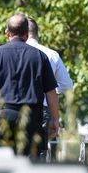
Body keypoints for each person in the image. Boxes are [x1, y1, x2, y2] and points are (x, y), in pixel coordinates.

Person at [0, 14, 60, 159]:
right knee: (29, 164)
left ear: (7, 32)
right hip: (31, 119)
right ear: (26, 34)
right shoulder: (40, 56)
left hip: (2, 116)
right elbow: (51, 93)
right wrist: (55, 120)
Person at [26, 17, 74, 162]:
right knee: (39, 152)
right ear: (36, 32)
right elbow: (67, 86)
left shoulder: (10, 52)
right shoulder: (51, 54)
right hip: (43, 110)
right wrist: (50, 90)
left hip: (16, 108)